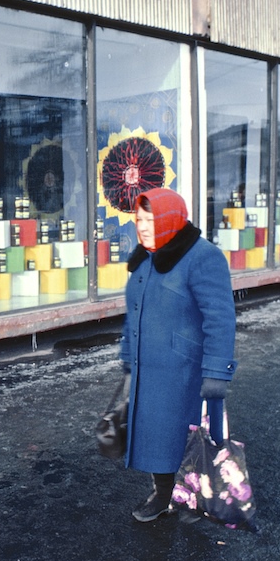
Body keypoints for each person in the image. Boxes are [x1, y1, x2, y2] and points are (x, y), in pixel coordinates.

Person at [119, 188, 238, 522]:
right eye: (139, 219)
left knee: (189, 439)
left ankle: (198, 496)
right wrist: (128, 354)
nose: (143, 227)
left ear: (170, 218)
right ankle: (162, 494)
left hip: (186, 372)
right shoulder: (146, 256)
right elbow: (134, 312)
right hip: (150, 368)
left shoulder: (203, 257)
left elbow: (220, 318)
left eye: (151, 219)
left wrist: (217, 372)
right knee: (156, 438)